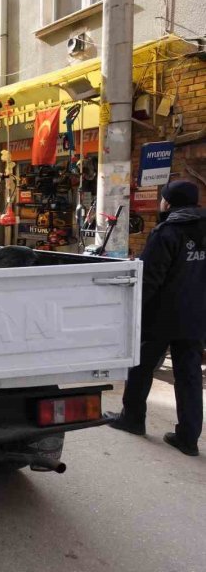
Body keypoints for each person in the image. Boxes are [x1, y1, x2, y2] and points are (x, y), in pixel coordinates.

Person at [109, 180, 205, 456]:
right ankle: (188, 437)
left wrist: (132, 310)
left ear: (169, 202)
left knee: (140, 367)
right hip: (195, 317)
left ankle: (133, 418)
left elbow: (149, 278)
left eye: (163, 199)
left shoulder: (167, 232)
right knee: (189, 376)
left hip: (161, 316)